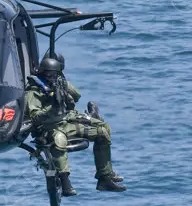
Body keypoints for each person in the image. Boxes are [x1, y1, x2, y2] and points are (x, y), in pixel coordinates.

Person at [23, 53, 126, 195]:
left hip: (67, 122)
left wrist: (64, 88)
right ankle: (65, 183)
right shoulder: (34, 92)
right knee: (59, 140)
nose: (50, 78)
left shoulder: (59, 84)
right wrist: (52, 106)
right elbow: (35, 118)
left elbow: (76, 96)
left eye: (53, 74)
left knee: (103, 130)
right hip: (49, 127)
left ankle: (105, 178)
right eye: (48, 75)